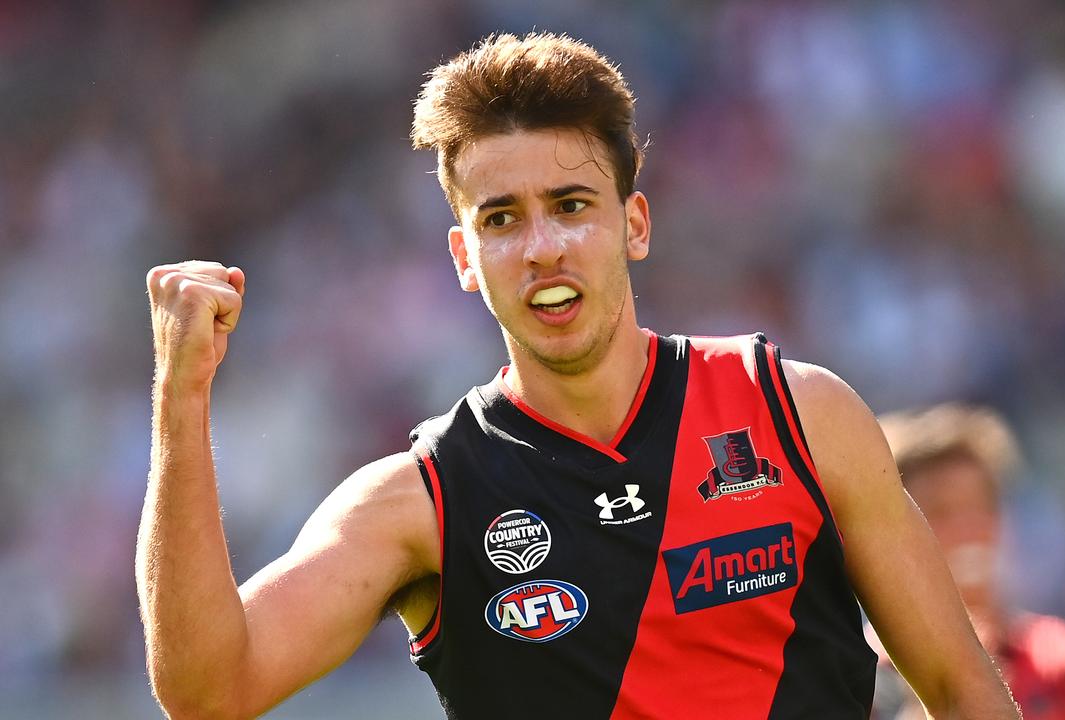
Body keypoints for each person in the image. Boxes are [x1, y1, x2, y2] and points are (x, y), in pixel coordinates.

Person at [137, 33, 1020, 719]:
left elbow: (959, 685)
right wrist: (180, 402)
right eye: (502, 219)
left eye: (571, 207)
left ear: (634, 223)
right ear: (465, 258)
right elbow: (211, 693)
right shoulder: (421, 502)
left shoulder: (801, 415)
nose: (543, 247)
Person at [871, 404, 1065, 720]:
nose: (971, 529)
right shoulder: (861, 676)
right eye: (940, 511)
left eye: (983, 506)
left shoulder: (1059, 659)